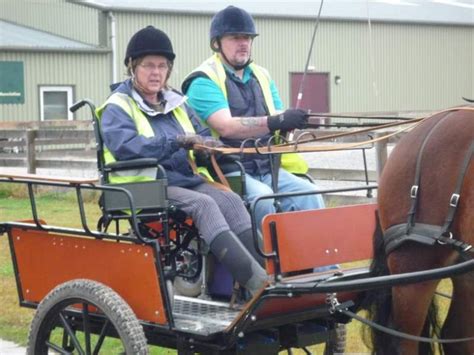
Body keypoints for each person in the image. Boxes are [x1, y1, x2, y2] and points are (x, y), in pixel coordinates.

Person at [96, 25, 267, 296]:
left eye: (162, 66)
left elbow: (199, 134)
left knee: (232, 201)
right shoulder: (118, 106)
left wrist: (207, 147)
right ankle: (257, 285)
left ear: (169, 69)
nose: (156, 73)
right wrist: (175, 141)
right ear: (132, 67)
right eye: (148, 66)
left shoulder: (177, 101)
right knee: (204, 204)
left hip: (183, 179)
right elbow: (127, 148)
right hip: (143, 186)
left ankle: (272, 274)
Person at [182, 6, 325, 231]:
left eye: (248, 38)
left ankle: (322, 265)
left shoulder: (262, 75)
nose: (243, 43)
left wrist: (291, 121)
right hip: (227, 171)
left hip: (266, 166)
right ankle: (264, 264)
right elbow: (226, 127)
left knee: (311, 194)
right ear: (216, 43)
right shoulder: (202, 80)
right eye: (235, 37)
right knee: (263, 199)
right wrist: (275, 121)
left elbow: (277, 117)